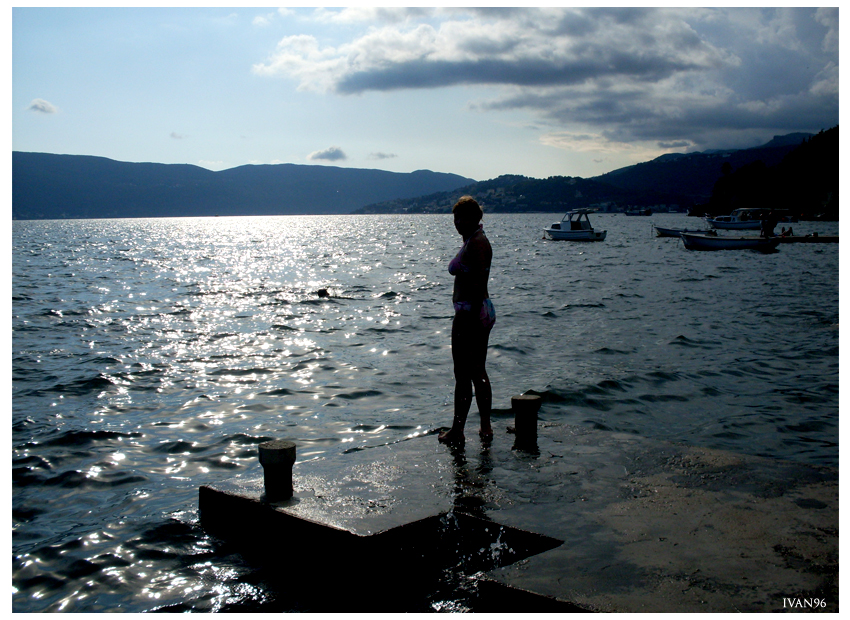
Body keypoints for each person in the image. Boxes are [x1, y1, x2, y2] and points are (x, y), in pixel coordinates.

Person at [439, 196, 495, 445]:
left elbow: (476, 282)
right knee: (476, 370)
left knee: (464, 374)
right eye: (455, 218)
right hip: (477, 309)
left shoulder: (477, 244)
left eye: (463, 217)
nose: (458, 222)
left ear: (476, 218)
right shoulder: (475, 241)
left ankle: (458, 430)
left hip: (470, 313)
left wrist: (467, 317)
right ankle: (484, 427)